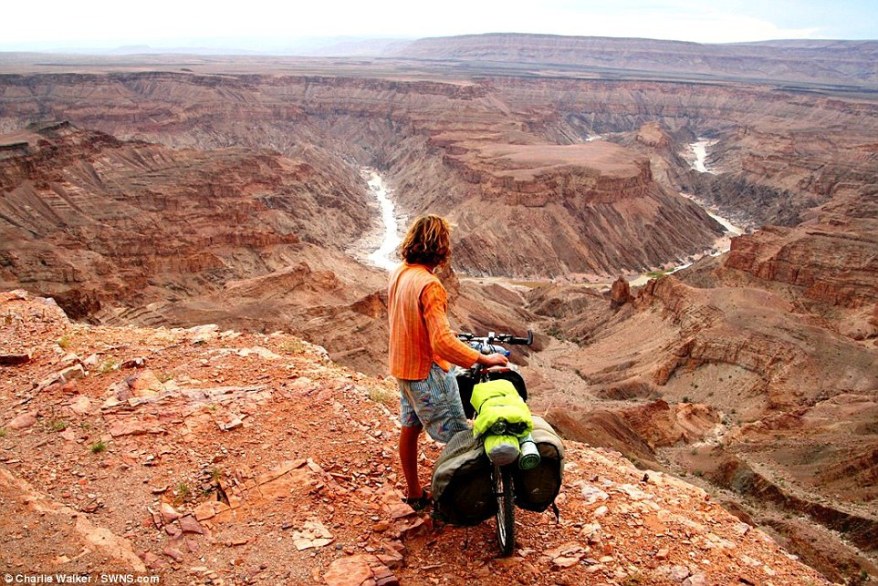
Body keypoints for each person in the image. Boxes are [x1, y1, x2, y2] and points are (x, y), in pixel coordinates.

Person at [387, 214, 508, 510]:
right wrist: (482, 358)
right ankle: (461, 501)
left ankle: (415, 493)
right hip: (427, 374)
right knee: (462, 439)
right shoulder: (429, 285)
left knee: (410, 428)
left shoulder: (400, 273)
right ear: (440, 248)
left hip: (403, 370)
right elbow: (441, 342)